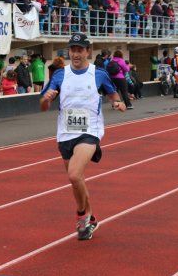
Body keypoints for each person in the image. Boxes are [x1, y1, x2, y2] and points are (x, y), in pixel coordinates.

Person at [40, 33, 125, 241]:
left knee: (74, 175)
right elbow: (43, 105)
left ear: (88, 51)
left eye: (80, 49)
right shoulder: (60, 75)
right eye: (73, 49)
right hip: (65, 133)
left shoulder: (99, 74)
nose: (76, 54)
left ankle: (81, 216)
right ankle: (91, 218)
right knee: (77, 181)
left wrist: (118, 103)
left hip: (90, 132)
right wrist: (46, 99)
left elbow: (112, 94)